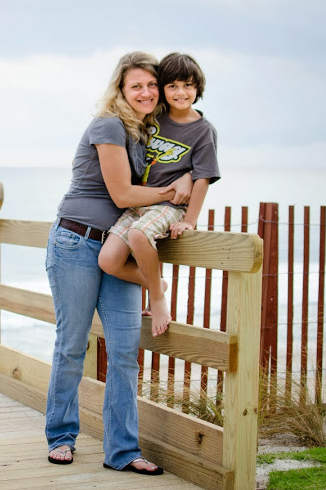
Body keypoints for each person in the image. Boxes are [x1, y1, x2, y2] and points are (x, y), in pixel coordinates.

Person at [45, 51, 193, 474]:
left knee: (125, 352)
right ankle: (61, 436)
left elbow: (183, 169)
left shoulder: (151, 133)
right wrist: (172, 193)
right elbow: (124, 196)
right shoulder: (108, 124)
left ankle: (123, 451)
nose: (145, 92)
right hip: (76, 242)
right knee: (72, 345)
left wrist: (186, 183)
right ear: (121, 90)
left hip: (119, 245)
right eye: (136, 86)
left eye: (152, 85)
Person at [97, 52, 220, 338]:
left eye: (188, 85)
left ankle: (157, 298)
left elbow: (204, 177)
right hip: (141, 201)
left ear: (198, 88)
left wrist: (190, 219)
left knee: (140, 236)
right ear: (163, 88)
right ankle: (158, 284)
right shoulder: (154, 118)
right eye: (173, 86)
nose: (181, 92)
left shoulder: (203, 131)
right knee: (108, 260)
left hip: (170, 205)